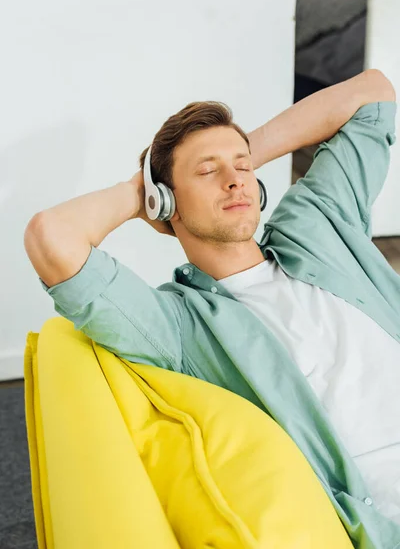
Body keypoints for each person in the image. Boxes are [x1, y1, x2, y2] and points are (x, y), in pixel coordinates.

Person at [24, 68, 400, 544]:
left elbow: (373, 94)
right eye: (207, 171)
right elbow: (51, 237)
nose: (234, 182)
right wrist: (140, 193)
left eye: (243, 169)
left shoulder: (317, 227)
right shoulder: (182, 325)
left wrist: (240, 153)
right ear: (166, 204)